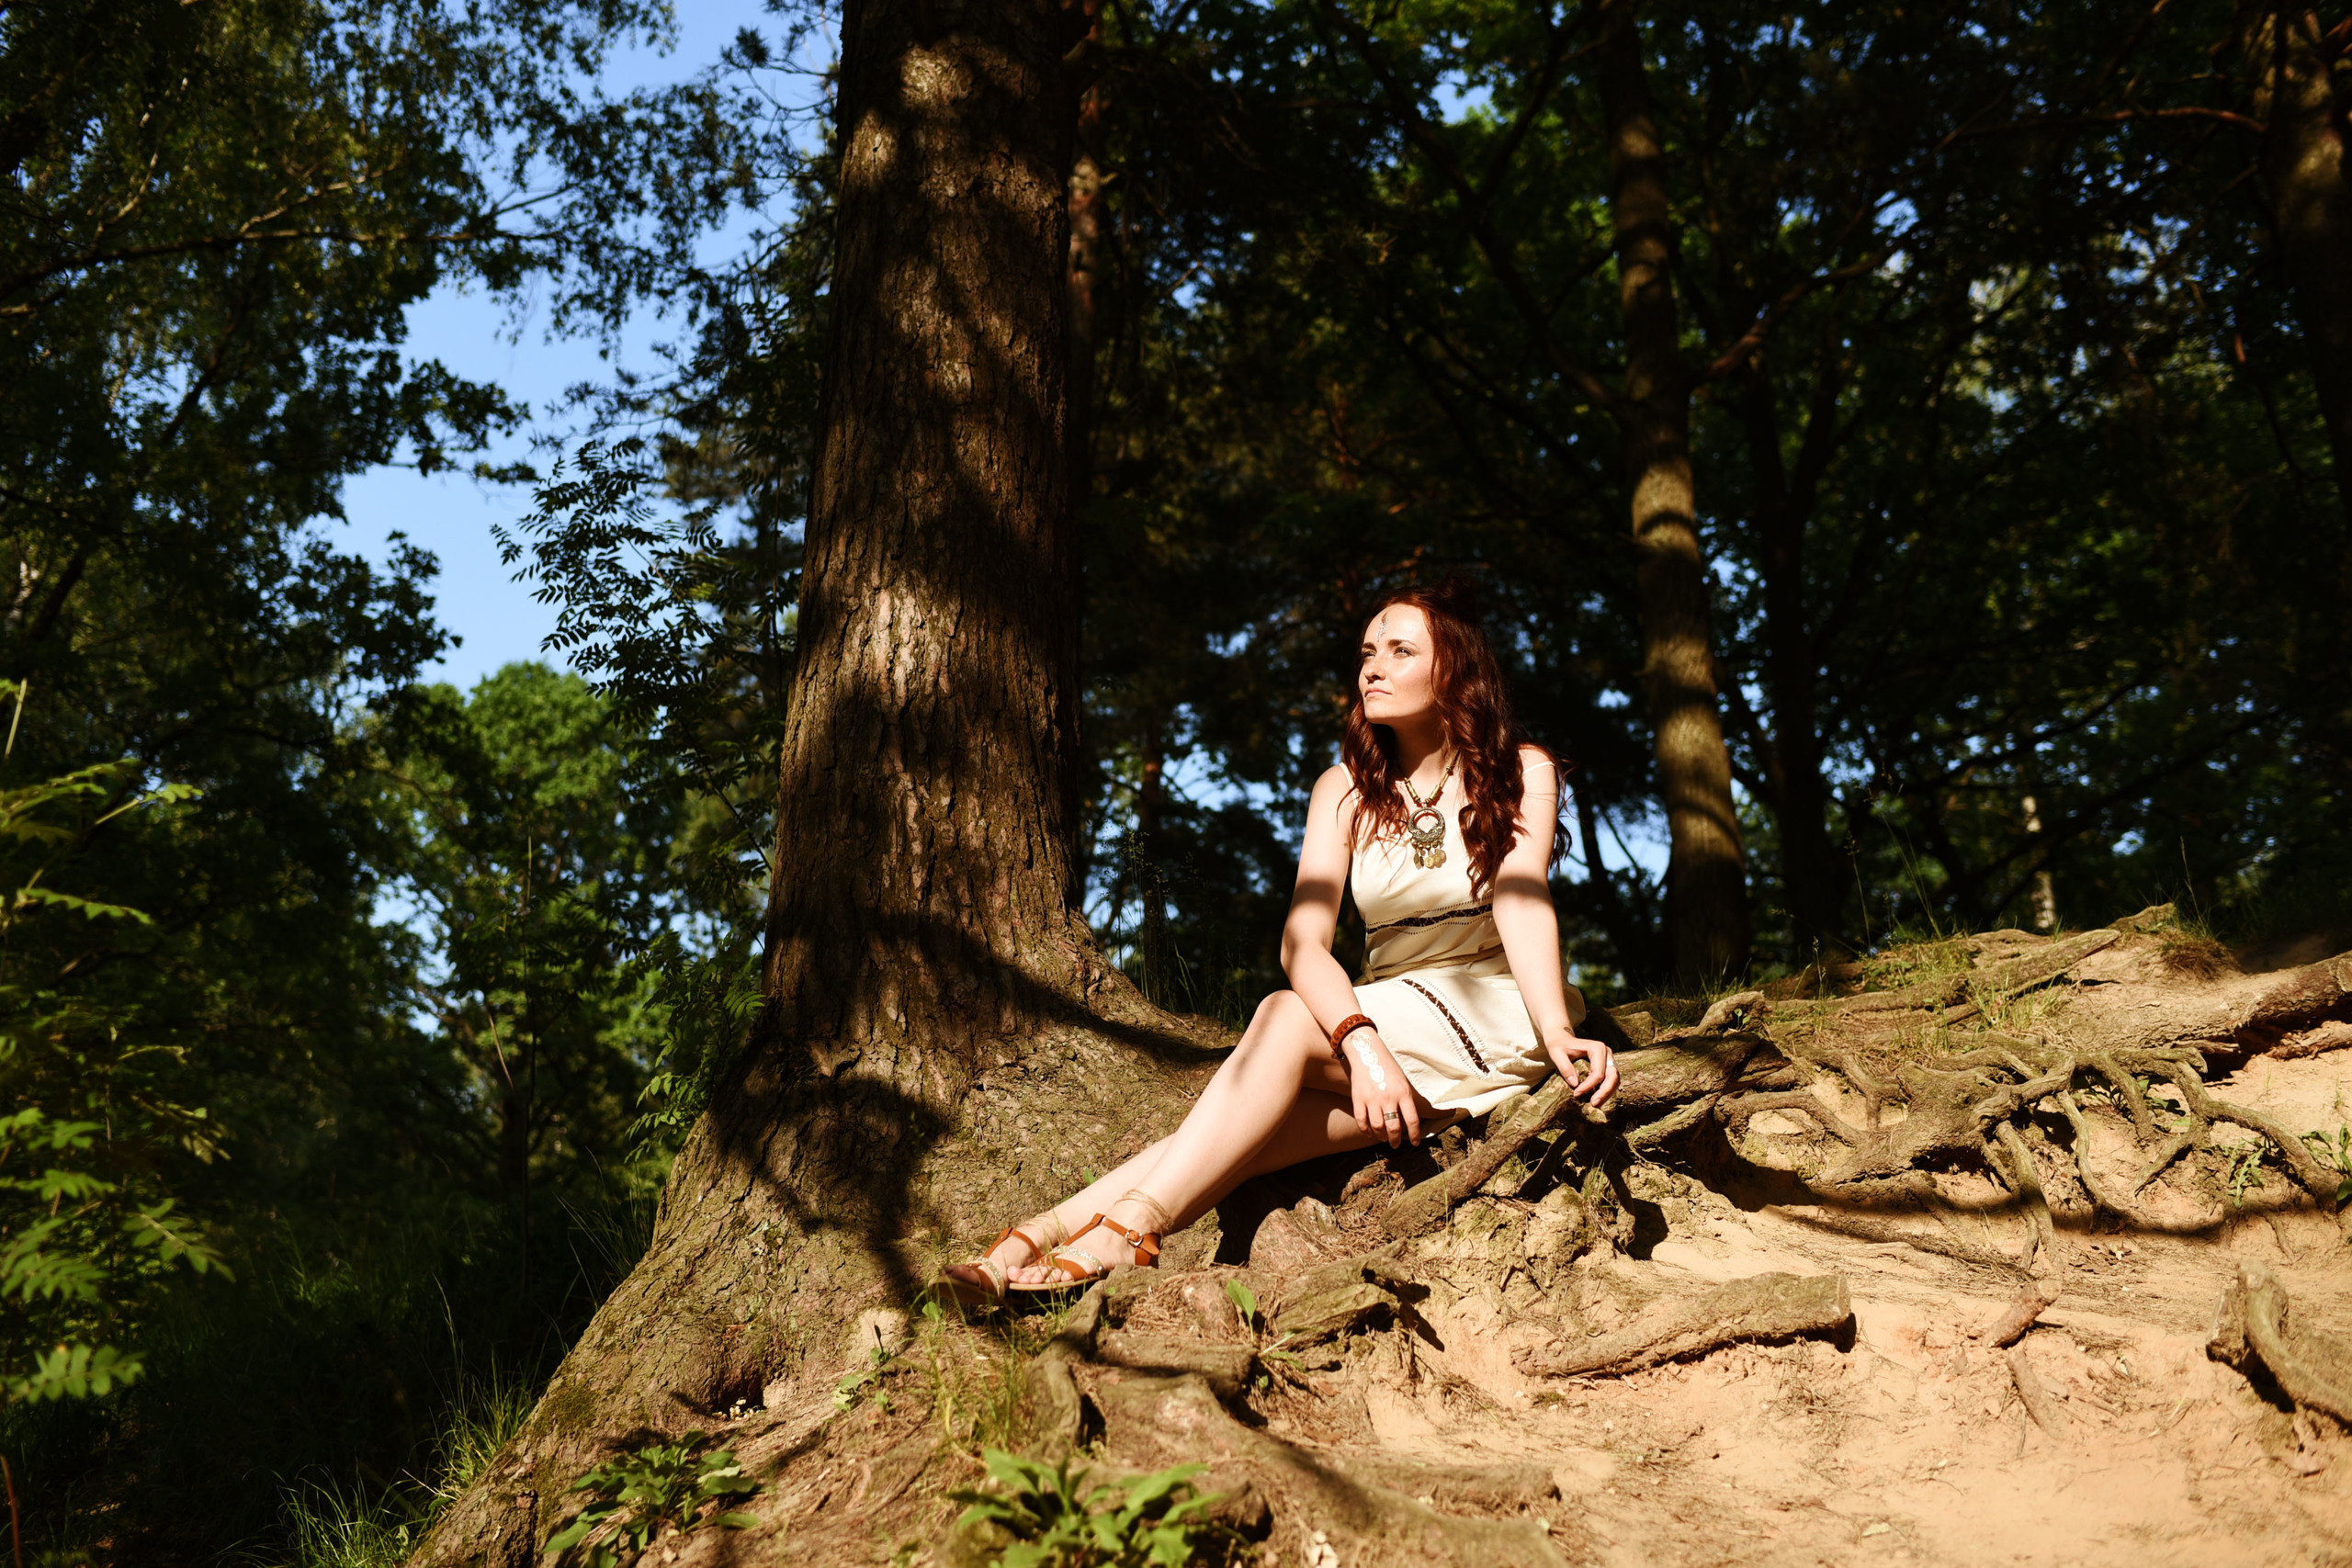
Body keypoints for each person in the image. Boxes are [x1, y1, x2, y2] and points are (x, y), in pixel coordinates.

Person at [938, 580, 1618, 1304]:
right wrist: (1364, 1045)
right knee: (1231, 1135)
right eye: (1366, 653)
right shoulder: (1344, 790)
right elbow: (1302, 942)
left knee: (1282, 1016)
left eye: (1399, 650)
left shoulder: (1523, 767)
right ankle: (1036, 1239)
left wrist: (1556, 1030)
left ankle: (1124, 1234)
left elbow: (1522, 901)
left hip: (1486, 1014)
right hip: (1386, 1024)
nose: (1372, 668)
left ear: (1453, 669)